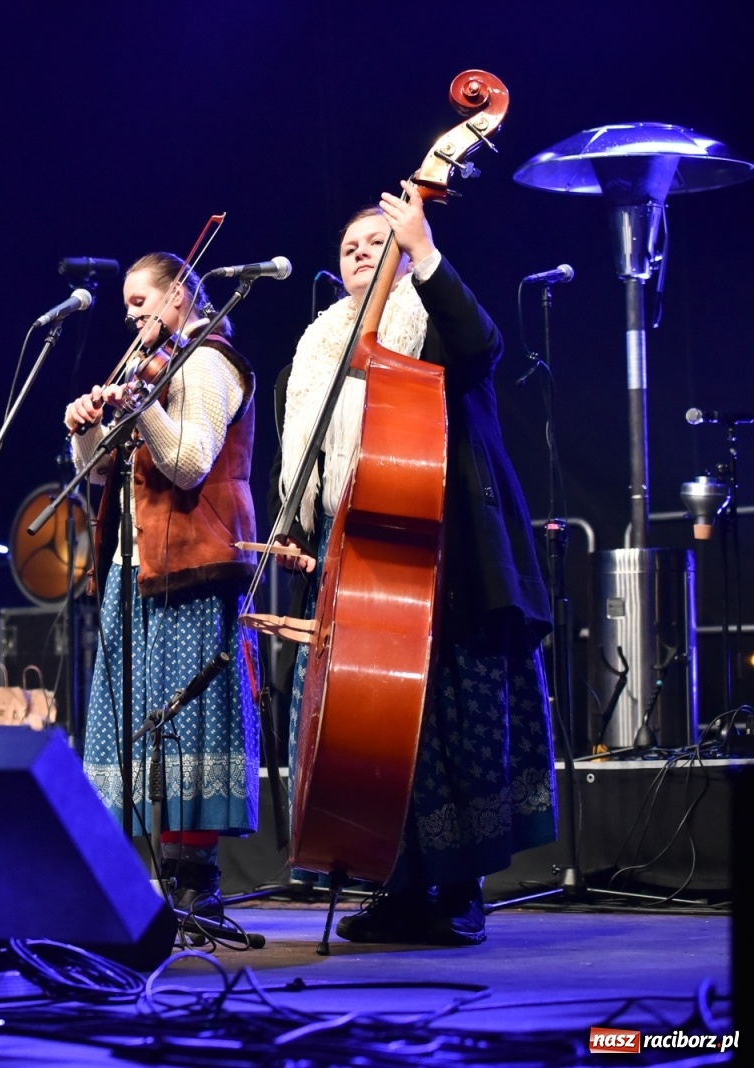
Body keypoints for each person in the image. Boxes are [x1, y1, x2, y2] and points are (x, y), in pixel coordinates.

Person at [270, 181, 557, 945]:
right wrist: (302, 525)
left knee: (447, 715)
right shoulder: (321, 341)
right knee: (367, 730)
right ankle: (395, 885)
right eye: (349, 248)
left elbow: (482, 348)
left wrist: (426, 251)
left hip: (446, 547)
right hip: (354, 552)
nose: (361, 254)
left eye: (376, 242)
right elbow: (315, 459)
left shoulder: (430, 310)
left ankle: (461, 889)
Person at [63, 253, 261, 915]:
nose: (131, 314)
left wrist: (144, 405)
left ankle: (193, 879)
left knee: (188, 720)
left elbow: (187, 461)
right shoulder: (148, 367)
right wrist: (85, 430)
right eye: (127, 304)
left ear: (179, 295)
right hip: (135, 566)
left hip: (192, 568)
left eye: (141, 300)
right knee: (134, 721)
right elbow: (97, 475)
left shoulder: (206, 361)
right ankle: (137, 883)